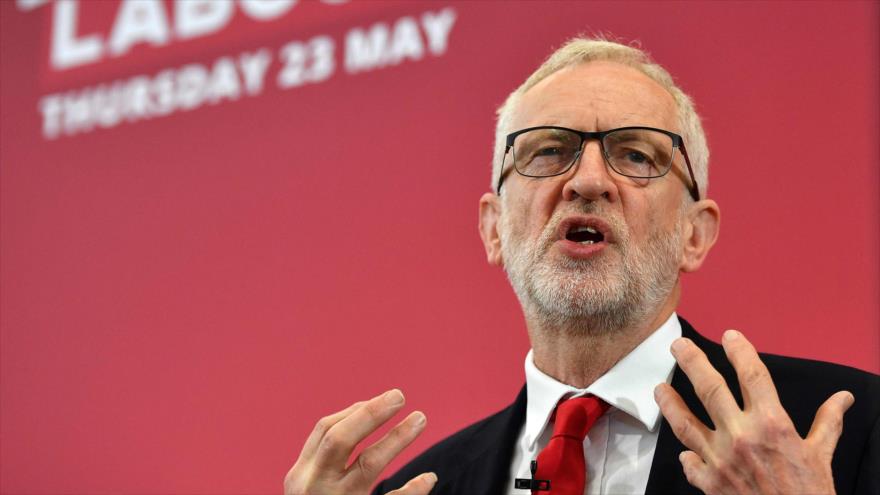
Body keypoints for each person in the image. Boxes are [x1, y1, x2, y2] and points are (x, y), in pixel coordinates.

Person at [283, 37, 880, 495]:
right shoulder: (429, 487)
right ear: (494, 228)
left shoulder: (842, 433)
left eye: (636, 155)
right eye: (548, 151)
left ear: (694, 235)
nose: (589, 181)